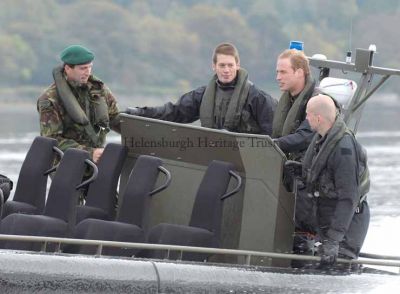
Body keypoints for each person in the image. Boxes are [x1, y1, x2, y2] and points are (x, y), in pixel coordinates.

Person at [127, 43, 276, 135]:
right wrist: (140, 112)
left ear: (238, 65)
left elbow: (272, 134)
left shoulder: (257, 97)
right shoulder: (203, 95)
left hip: (247, 158)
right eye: (222, 65)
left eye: (230, 65)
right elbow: (173, 112)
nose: (226, 70)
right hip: (213, 153)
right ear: (214, 66)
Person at [303, 94, 370, 269]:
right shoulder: (322, 139)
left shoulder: (343, 149)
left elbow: (349, 197)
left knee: (335, 269)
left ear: (318, 118)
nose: (306, 118)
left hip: (347, 224)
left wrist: (333, 240)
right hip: (327, 219)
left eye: (308, 114)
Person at [37, 45, 121, 163]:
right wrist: (89, 153)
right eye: (82, 68)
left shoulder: (98, 89)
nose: (87, 72)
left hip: (97, 159)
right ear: (67, 68)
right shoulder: (50, 99)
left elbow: (115, 118)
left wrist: (141, 128)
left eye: (89, 67)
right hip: (65, 164)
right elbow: (52, 140)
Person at [272, 49, 319, 259]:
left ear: (299, 73)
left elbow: (305, 137)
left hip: (308, 180)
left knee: (301, 235)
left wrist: (272, 144)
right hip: (287, 175)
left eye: (283, 72)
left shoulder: (316, 102)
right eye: (277, 72)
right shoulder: (287, 101)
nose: (278, 77)